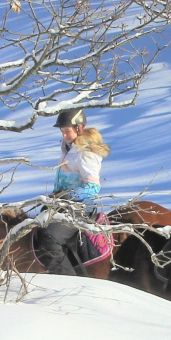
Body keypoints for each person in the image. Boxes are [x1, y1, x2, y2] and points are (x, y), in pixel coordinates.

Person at [37, 108, 109, 275]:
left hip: (81, 210)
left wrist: (67, 196)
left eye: (67, 131)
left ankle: (69, 282)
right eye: (62, 131)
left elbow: (93, 187)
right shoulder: (68, 150)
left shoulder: (85, 154)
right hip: (63, 206)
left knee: (50, 239)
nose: (64, 135)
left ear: (79, 128)